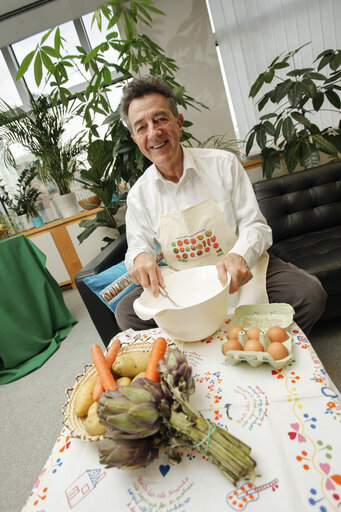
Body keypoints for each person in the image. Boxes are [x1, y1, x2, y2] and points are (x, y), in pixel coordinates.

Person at [115, 75, 327, 336]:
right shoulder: (138, 195)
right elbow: (137, 246)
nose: (153, 133)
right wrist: (141, 257)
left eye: (160, 119)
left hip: (238, 270)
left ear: (178, 123)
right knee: (126, 312)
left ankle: (267, 348)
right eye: (141, 127)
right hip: (184, 280)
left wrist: (240, 255)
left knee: (309, 293)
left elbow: (256, 226)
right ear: (136, 139)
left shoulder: (223, 165)